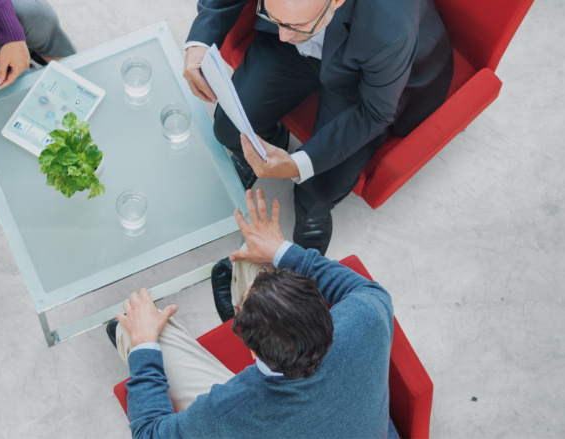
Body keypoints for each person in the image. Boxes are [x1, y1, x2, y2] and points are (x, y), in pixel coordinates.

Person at [106, 189, 398, 437]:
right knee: (255, 256)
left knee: (133, 329)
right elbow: (369, 291)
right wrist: (283, 251)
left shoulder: (230, 411)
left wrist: (144, 344)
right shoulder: (369, 315)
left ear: (246, 341)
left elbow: (149, 433)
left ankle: (133, 338)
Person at [184, 0, 453, 257]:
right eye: (273, 17)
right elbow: (282, 32)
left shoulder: (389, 27)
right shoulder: (285, 34)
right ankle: (273, 139)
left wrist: (296, 164)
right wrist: (200, 40)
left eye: (296, 26)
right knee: (228, 129)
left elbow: (374, 112)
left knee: (325, 183)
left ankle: (312, 208)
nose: (282, 36)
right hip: (294, 57)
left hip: (361, 76)